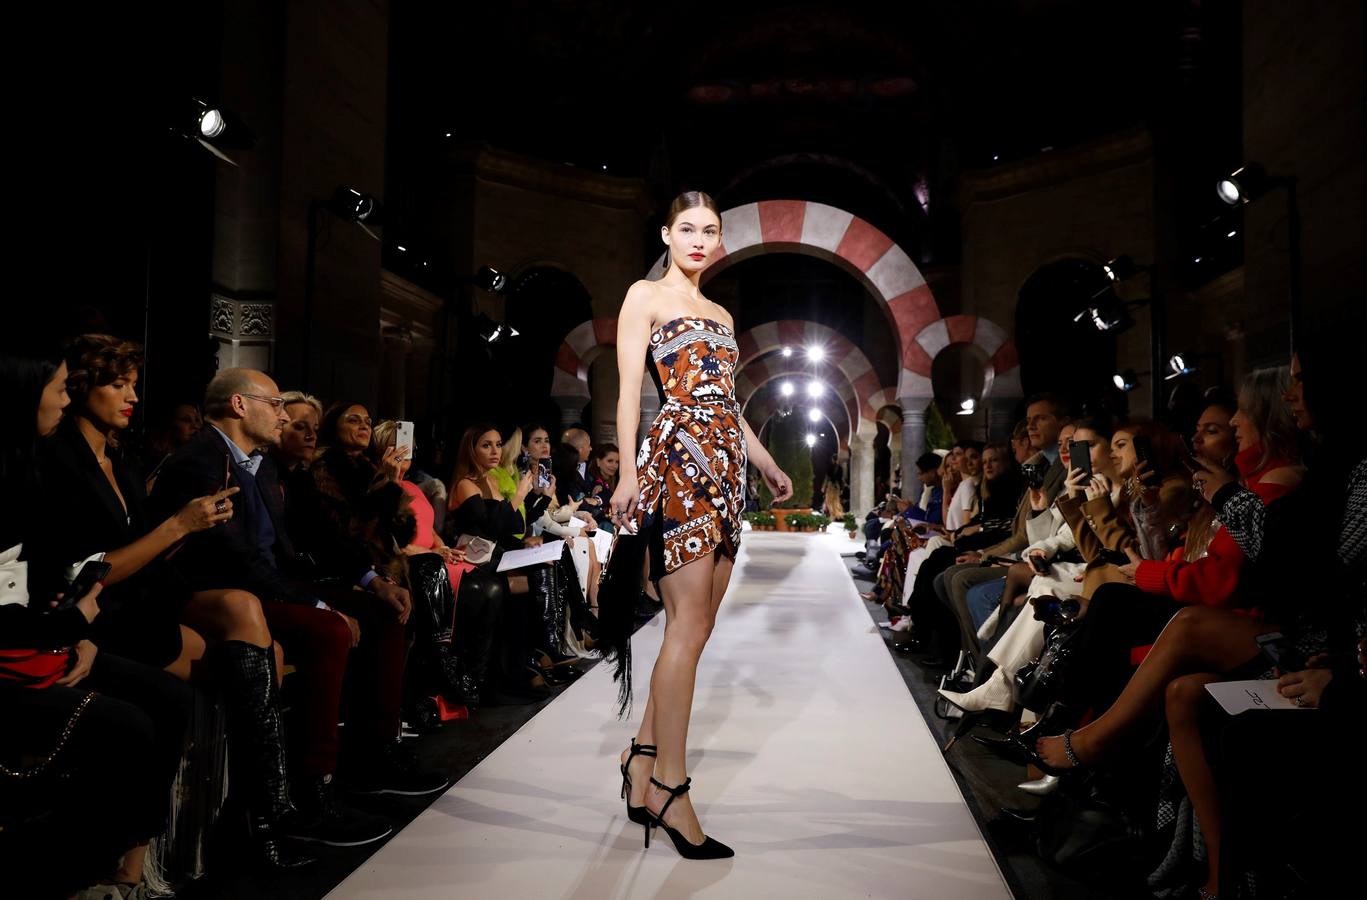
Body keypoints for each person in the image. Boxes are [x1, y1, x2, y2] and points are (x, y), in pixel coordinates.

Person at [151, 371, 436, 851]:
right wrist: (319, 601)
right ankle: (313, 791)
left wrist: (368, 581)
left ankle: (375, 755)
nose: (285, 417)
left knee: (381, 613)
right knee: (328, 629)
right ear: (241, 405)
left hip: (266, 584)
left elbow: (291, 551)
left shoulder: (255, 466)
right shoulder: (199, 461)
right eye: (277, 405)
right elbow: (232, 560)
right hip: (216, 595)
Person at [607, 190, 793, 859]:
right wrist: (627, 473)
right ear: (665, 233)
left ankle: (641, 761)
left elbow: (728, 402)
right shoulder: (644, 296)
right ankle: (670, 787)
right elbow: (630, 391)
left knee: (700, 625)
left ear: (717, 240)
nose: (696, 239)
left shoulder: (719, 312)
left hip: (725, 469)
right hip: (677, 463)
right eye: (685, 228)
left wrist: (765, 463)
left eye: (708, 230)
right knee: (686, 624)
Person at [1, 336, 192, 898]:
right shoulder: (47, 463)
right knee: (135, 717)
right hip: (47, 636)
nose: (133, 396)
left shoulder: (115, 462)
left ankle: (129, 870)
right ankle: (93, 872)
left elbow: (34, 583)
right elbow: (61, 572)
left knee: (174, 692)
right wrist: (69, 629)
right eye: (119, 383)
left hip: (66, 625)